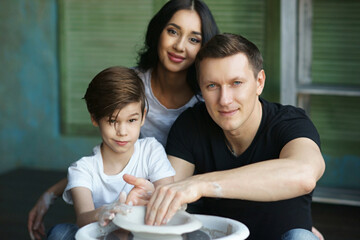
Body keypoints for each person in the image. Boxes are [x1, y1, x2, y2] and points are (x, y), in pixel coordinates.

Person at [27, 0, 219, 239]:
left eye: (194, 39)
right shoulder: (131, 87)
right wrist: (53, 193)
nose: (180, 46)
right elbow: (106, 160)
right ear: (157, 32)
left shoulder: (207, 100)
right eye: (172, 31)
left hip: (172, 200)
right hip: (116, 201)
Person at [134, 33, 326, 240]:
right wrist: (154, 197)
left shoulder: (289, 122)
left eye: (236, 83)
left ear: (259, 82)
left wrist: (200, 184)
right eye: (212, 86)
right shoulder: (191, 125)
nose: (224, 100)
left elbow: (304, 174)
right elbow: (175, 190)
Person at [48, 66, 176, 239]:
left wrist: (152, 193)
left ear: (143, 116)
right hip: (102, 237)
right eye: (112, 121)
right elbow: (83, 218)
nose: (122, 131)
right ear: (94, 118)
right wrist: (105, 211)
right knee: (60, 233)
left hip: (140, 235)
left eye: (132, 120)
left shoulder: (151, 151)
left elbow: (168, 202)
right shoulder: (82, 169)